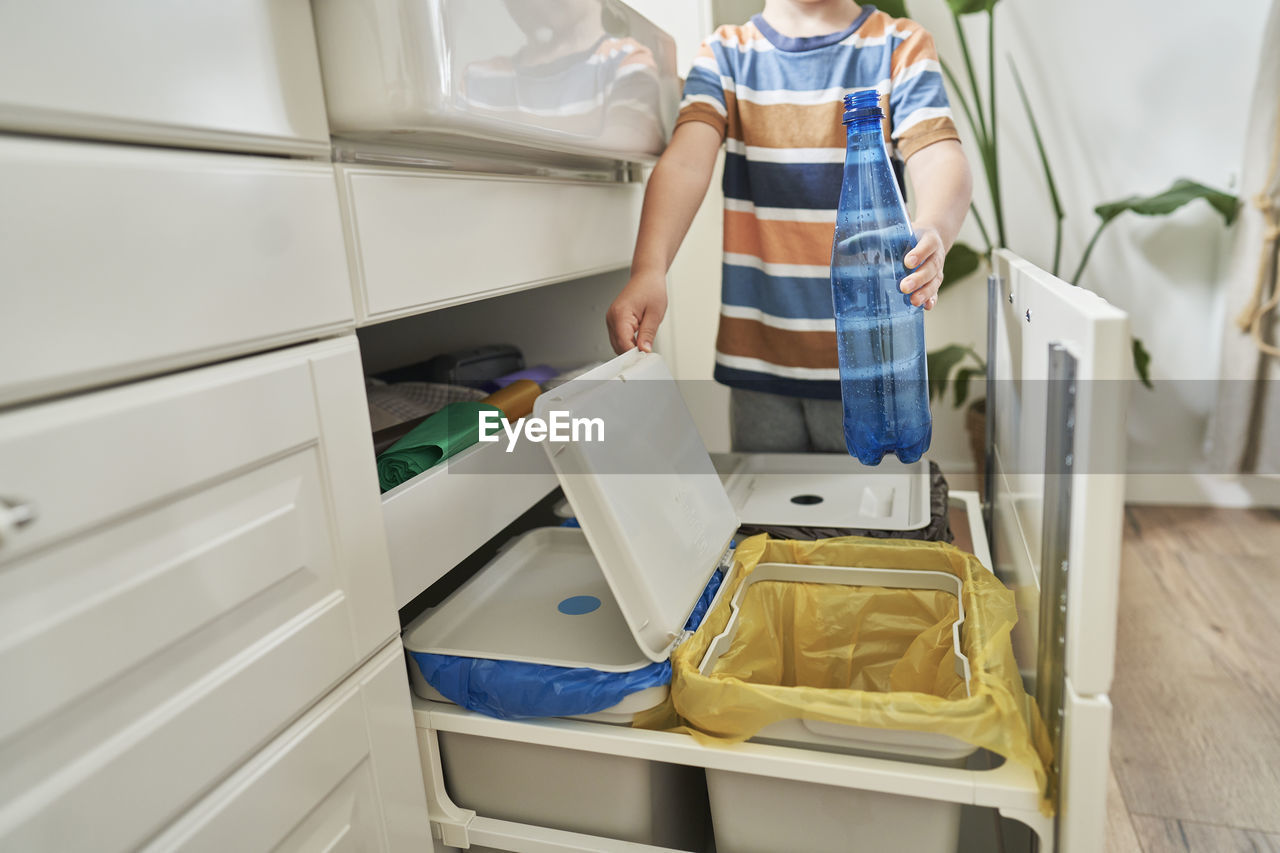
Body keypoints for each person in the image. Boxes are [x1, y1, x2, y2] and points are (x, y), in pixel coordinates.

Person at [605, 0, 973, 452]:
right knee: (769, 513)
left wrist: (934, 225)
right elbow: (684, 163)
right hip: (760, 363)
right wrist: (649, 269)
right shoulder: (726, 53)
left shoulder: (900, 45)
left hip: (873, 366)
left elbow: (939, 154)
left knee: (873, 517)